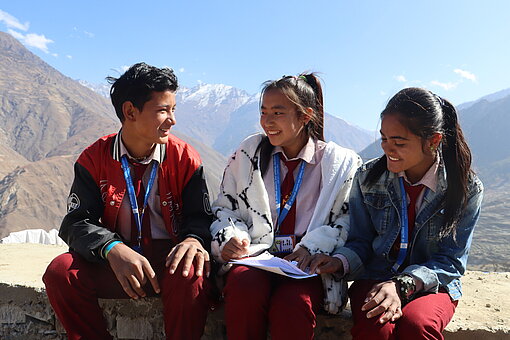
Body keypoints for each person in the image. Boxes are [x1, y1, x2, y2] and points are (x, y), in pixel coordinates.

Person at [42, 62, 213, 340]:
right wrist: (111, 248)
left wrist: (193, 239)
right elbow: (76, 223)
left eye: (173, 110)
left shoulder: (185, 158)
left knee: (190, 271)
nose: (172, 120)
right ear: (130, 111)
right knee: (61, 273)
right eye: (162, 110)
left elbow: (201, 216)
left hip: (167, 260)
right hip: (115, 261)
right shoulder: (94, 158)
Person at [311, 87, 484, 339]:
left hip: (432, 285)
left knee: (418, 326)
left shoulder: (465, 188)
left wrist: (402, 284)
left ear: (433, 140)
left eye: (399, 142)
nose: (388, 148)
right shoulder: (368, 178)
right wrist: (341, 261)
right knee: (375, 325)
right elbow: (360, 240)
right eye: (383, 139)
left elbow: (452, 261)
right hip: (376, 278)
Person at [210, 73, 362, 339]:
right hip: (257, 258)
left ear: (305, 116)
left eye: (278, 113)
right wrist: (232, 238)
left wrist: (311, 247)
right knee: (243, 288)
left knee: (294, 305)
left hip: (306, 267)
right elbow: (226, 207)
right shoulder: (249, 154)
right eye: (264, 112)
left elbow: (346, 221)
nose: (267, 121)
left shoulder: (339, 165)